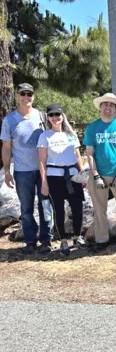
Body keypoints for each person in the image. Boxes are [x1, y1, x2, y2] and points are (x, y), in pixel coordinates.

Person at [83, 93, 116, 254]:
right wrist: (96, 175)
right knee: (99, 209)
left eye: (111, 105)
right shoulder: (92, 127)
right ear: (100, 107)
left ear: (115, 108)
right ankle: (102, 239)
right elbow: (89, 153)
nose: (108, 107)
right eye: (105, 104)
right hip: (98, 174)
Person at [0, 83, 51, 254]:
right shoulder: (9, 120)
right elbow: (6, 147)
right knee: (26, 208)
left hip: (43, 170)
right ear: (17, 96)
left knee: (45, 205)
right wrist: (7, 171)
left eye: (29, 94)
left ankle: (46, 240)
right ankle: (30, 240)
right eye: (23, 94)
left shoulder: (43, 117)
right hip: (22, 172)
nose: (26, 97)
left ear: (33, 97)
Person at [37, 104, 86, 255]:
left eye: (58, 115)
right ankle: (63, 240)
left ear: (62, 116)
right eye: (52, 115)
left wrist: (82, 174)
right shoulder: (45, 136)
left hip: (72, 175)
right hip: (54, 177)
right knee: (59, 210)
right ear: (48, 118)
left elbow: (77, 156)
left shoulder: (70, 135)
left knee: (78, 207)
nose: (55, 118)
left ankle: (77, 236)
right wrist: (44, 182)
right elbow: (42, 161)